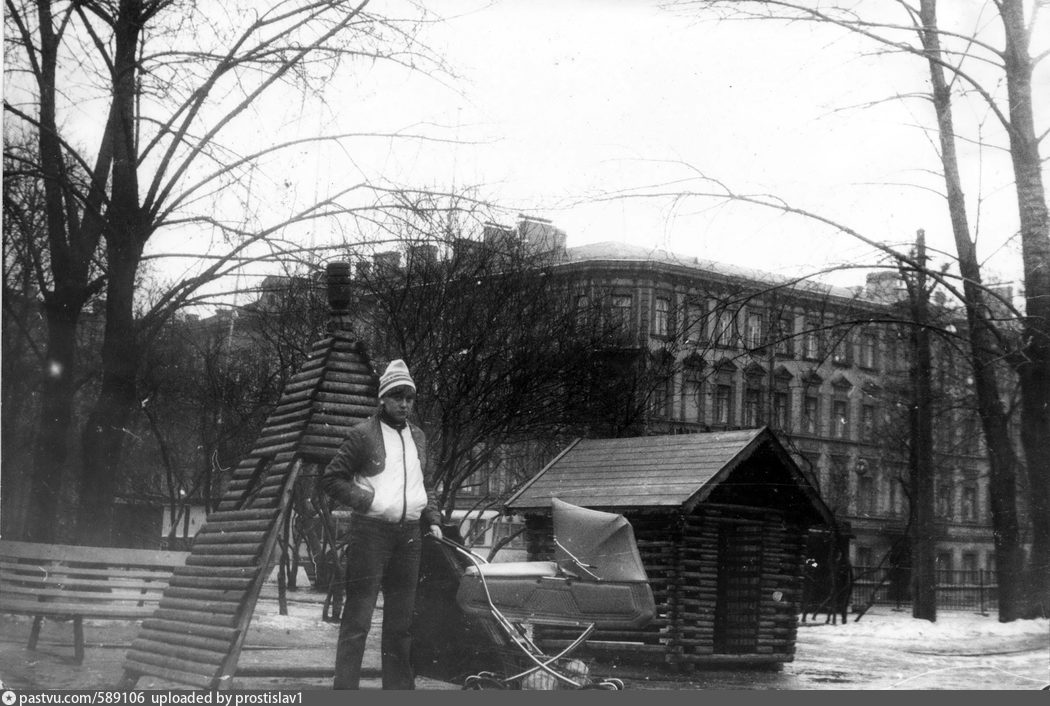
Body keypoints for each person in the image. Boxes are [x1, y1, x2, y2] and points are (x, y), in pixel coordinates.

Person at [321, 359, 443, 690]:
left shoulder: (419, 437)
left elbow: (425, 484)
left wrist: (432, 518)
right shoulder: (363, 435)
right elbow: (332, 478)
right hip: (370, 535)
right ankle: (345, 690)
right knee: (357, 620)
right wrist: (368, 501)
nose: (404, 404)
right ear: (383, 398)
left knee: (401, 624)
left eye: (409, 397)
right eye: (397, 396)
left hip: (409, 538)